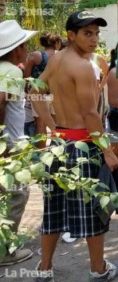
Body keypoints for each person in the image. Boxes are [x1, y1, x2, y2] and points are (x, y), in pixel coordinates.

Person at [31, 10, 118, 281]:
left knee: (54, 209)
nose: (94, 39)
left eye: (96, 33)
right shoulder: (81, 67)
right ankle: (98, 270)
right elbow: (90, 114)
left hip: (59, 144)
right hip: (83, 145)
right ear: (71, 35)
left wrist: (50, 126)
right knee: (94, 209)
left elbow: (35, 89)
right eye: (87, 33)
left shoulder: (57, 59)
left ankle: (44, 269)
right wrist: (106, 149)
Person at [0, 20, 37, 266]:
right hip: (11, 143)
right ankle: (5, 251)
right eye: (24, 45)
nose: (26, 49)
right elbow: (2, 102)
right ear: (16, 50)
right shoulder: (12, 71)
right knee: (17, 195)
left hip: (8, 142)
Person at [23, 32, 61, 136]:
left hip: (38, 95)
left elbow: (26, 76)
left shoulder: (36, 55)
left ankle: (41, 151)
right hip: (56, 94)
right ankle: (58, 148)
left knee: (40, 124)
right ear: (56, 43)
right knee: (57, 124)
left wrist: (27, 92)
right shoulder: (61, 57)